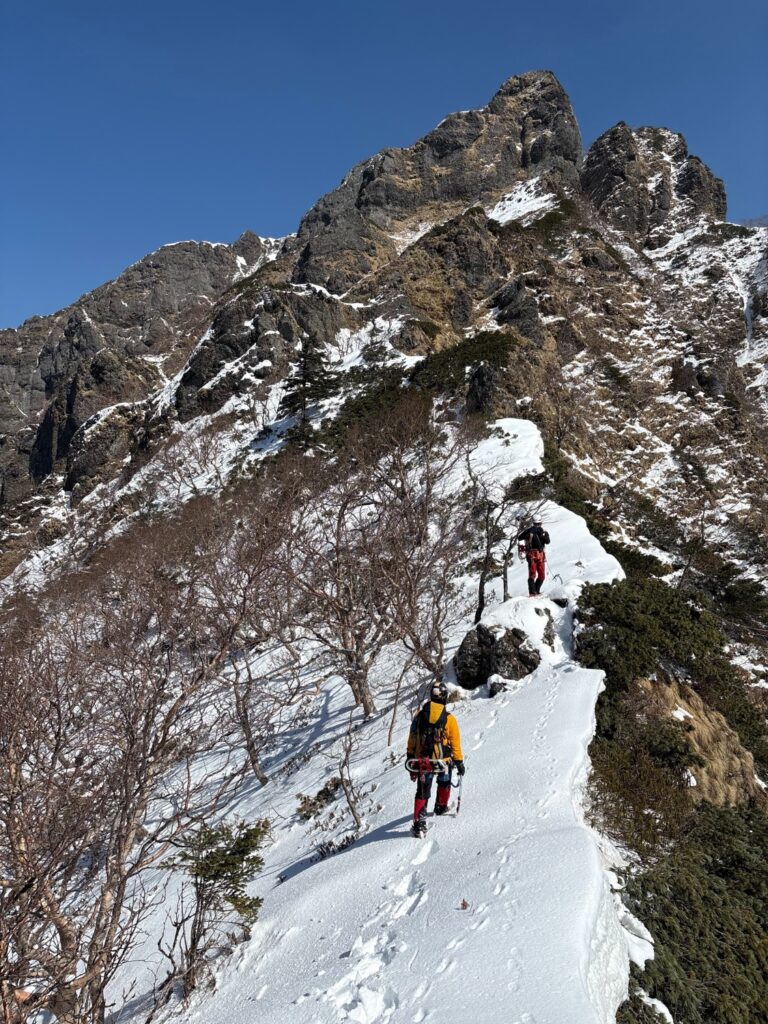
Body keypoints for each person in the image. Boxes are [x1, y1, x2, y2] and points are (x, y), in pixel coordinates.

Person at [405, 680, 465, 837]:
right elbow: (455, 743)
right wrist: (459, 762)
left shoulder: (419, 716)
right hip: (442, 761)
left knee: (422, 790)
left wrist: (410, 754)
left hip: (423, 761)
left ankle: (419, 823)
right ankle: (441, 806)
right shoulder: (449, 719)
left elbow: (412, 737)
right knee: (444, 782)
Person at [517, 517, 550, 596]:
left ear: (541, 523)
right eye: (536, 524)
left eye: (538, 524)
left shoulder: (543, 532)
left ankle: (536, 591)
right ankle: (532, 593)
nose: (537, 525)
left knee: (542, 575)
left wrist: (542, 535)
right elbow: (519, 537)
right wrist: (528, 532)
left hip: (540, 554)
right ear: (533, 523)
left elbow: (548, 541)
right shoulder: (529, 531)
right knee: (532, 574)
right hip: (531, 554)